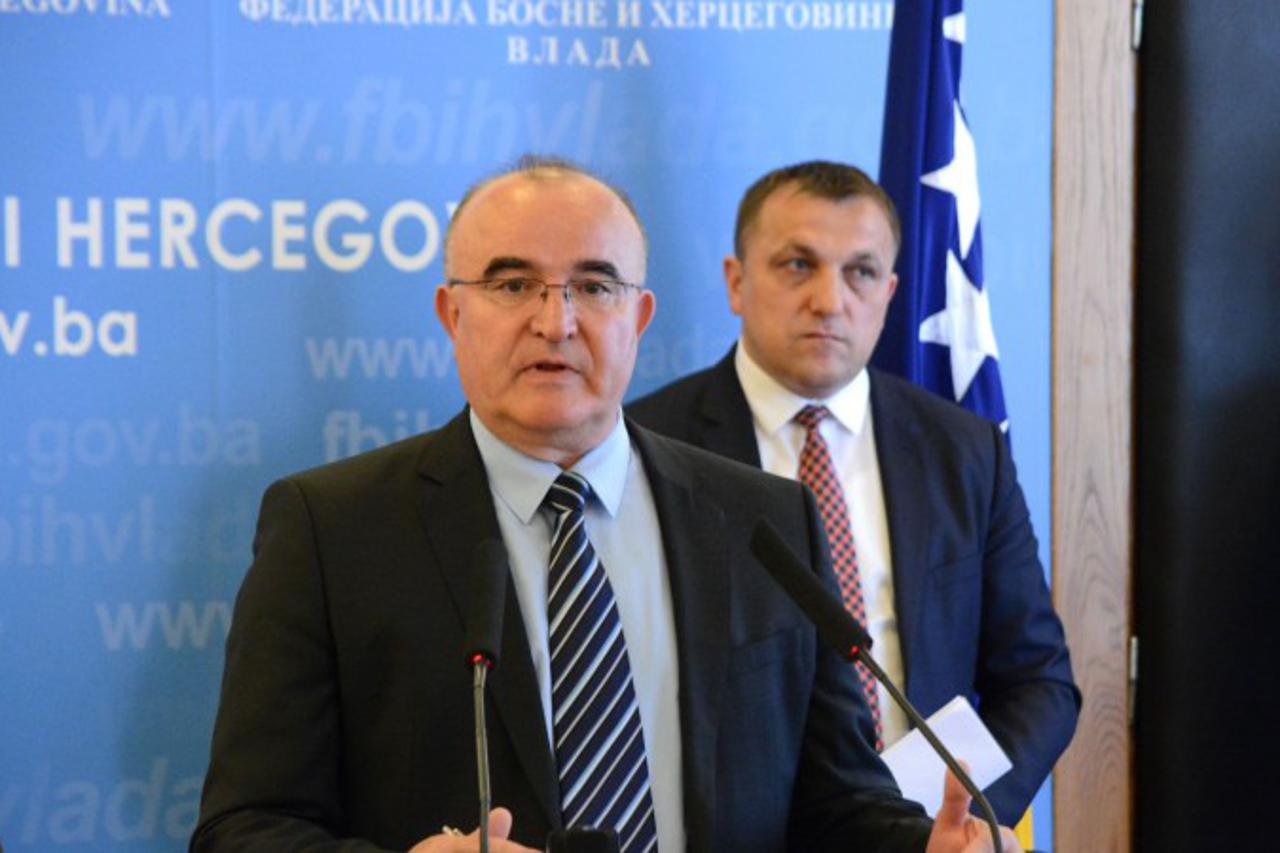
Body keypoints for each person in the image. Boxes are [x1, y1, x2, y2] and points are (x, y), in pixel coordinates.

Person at [192, 156, 1020, 852]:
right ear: (452, 312)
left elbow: (836, 803)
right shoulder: (332, 530)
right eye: (512, 283)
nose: (555, 322)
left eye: (594, 286)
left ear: (639, 317)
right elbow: (244, 826)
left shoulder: (766, 521)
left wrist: (924, 846)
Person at [627, 160, 1081, 827]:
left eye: (860, 272)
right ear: (736, 281)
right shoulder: (646, 447)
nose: (829, 300)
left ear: (890, 292)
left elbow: (1039, 681)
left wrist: (965, 820)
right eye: (797, 265)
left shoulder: (964, 451)